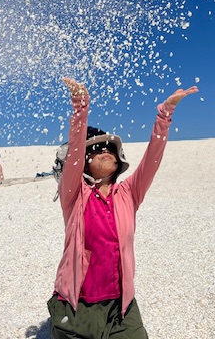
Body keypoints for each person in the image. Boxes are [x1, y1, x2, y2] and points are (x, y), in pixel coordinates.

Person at [47, 77, 198, 338]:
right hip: (75, 306)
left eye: (111, 149)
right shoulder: (74, 195)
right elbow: (73, 153)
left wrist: (164, 115)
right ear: (85, 161)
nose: (107, 151)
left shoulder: (129, 193)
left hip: (121, 308)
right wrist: (81, 106)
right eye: (97, 149)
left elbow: (152, 159)